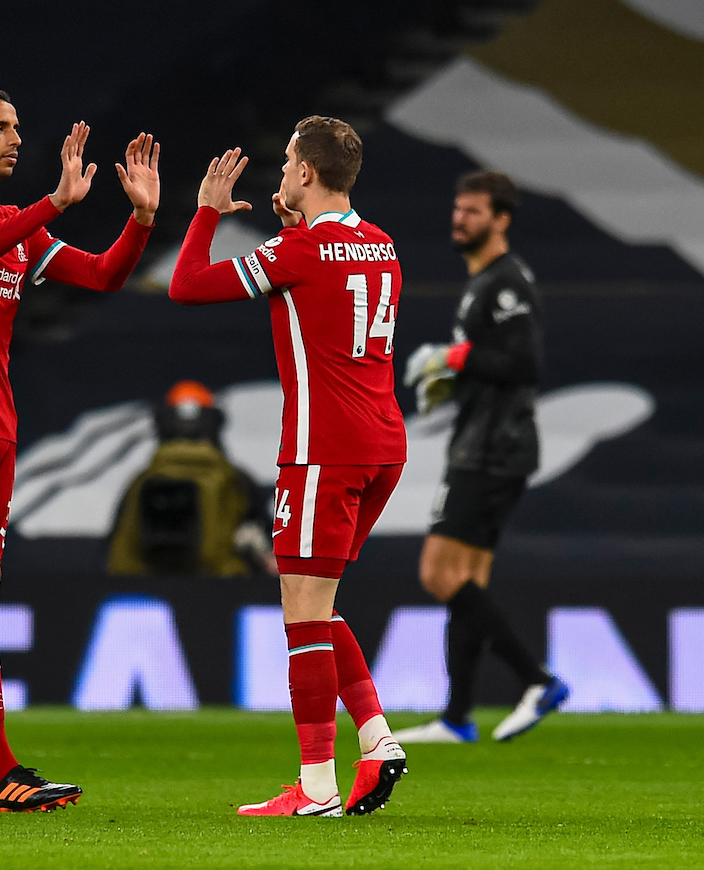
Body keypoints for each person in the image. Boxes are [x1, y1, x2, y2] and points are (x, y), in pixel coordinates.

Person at [0, 86, 159, 812]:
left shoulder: (17, 226)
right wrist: (52, 206)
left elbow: (102, 275)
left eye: (17, 127)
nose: (15, 139)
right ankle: (4, 772)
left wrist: (140, 219)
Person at [169, 116, 408, 818]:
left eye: (285, 165)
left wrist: (209, 211)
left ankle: (316, 785)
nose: (278, 175)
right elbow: (327, 275)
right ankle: (377, 740)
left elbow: (185, 285)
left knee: (303, 615)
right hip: (383, 445)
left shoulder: (298, 251)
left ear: (305, 173)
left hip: (322, 448)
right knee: (321, 605)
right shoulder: (382, 243)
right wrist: (291, 229)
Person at [396, 170, 568, 744]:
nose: (459, 219)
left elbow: (523, 364)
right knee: (467, 580)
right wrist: (458, 370)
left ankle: (537, 680)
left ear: (501, 220)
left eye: (473, 211)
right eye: (458, 209)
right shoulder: (483, 283)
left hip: (491, 451)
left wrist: (455, 357)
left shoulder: (506, 283)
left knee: (437, 573)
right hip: (488, 444)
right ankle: (458, 716)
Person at [108, 380, 275, 576]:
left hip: (149, 599)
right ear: (214, 424)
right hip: (221, 595)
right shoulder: (239, 482)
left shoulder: (139, 482)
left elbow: (118, 555)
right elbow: (270, 554)